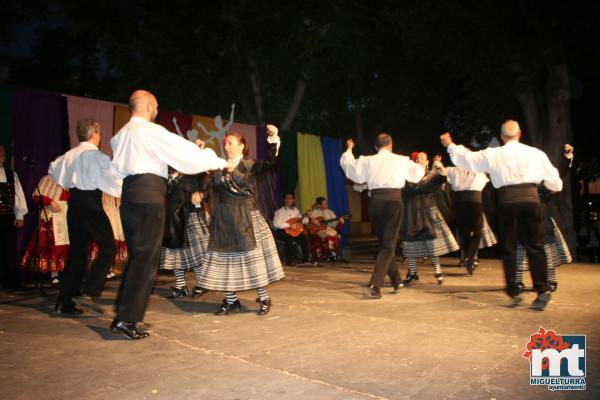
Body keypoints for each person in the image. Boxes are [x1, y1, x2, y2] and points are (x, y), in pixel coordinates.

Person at [110, 90, 228, 339]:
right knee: (146, 260)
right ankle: (125, 319)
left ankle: (123, 312)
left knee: (137, 258)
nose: (157, 111)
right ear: (150, 106)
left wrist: (190, 150)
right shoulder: (150, 131)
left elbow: (142, 162)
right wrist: (215, 160)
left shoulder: (120, 136)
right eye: (156, 107)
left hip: (129, 197)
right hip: (148, 197)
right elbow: (183, 155)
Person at [441, 120, 562, 310]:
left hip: (507, 201)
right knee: (536, 247)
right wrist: (545, 191)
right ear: (519, 134)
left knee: (509, 248)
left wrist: (450, 146)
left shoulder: (494, 154)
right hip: (531, 200)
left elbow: (468, 160)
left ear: (503, 136)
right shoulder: (536, 154)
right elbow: (555, 182)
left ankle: (514, 291)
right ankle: (542, 290)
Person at [197, 126, 284, 316]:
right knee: (225, 262)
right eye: (225, 144)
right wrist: (199, 193)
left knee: (253, 262)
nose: (226, 147)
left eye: (230, 143)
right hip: (224, 219)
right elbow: (208, 188)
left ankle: (264, 297)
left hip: (246, 217)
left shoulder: (250, 165)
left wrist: (273, 138)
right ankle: (231, 301)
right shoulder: (218, 168)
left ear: (241, 146)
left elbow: (271, 162)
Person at [50, 118, 121, 315]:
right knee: (108, 248)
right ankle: (88, 291)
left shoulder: (69, 155)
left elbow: (53, 170)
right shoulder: (95, 156)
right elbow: (114, 178)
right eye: (99, 134)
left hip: (75, 205)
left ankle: (65, 301)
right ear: (94, 134)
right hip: (91, 205)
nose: (100, 137)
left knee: (77, 254)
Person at [340, 134, 424, 298]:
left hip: (376, 202)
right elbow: (417, 174)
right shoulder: (401, 160)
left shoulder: (367, 160)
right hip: (393, 201)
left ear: (376, 147)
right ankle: (375, 285)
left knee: (386, 244)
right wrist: (420, 164)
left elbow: (349, 168)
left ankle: (396, 280)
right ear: (391, 145)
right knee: (388, 245)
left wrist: (349, 150)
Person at [516, 144, 574, 292]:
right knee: (521, 247)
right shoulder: (517, 175)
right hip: (522, 215)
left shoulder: (543, 176)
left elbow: (558, 175)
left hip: (541, 216)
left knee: (546, 248)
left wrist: (567, 158)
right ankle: (517, 281)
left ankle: (551, 278)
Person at [400, 154, 459, 285]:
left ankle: (438, 271)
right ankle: (412, 272)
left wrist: (438, 171)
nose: (418, 160)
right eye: (416, 159)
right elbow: (414, 188)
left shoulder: (430, 175)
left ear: (427, 161)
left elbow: (439, 182)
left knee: (432, 244)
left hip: (429, 210)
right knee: (409, 243)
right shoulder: (409, 177)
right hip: (411, 212)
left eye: (421, 158)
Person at [437, 160, 497, 275]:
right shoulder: (478, 172)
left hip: (460, 202)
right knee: (477, 231)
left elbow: (441, 172)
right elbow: (486, 182)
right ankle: (470, 258)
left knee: (463, 231)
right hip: (475, 202)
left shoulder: (453, 170)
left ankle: (466, 256)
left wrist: (438, 164)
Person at [159, 170, 211, 299]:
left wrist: (201, 194)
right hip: (172, 217)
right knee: (176, 254)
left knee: (196, 253)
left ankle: (201, 283)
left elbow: (208, 186)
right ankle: (181, 286)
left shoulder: (196, 171)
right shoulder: (166, 173)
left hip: (189, 215)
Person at [20, 173, 69, 284]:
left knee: (66, 244)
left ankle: (64, 271)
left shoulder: (69, 178)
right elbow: (37, 195)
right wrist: (50, 201)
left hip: (66, 213)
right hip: (51, 214)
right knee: (53, 244)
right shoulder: (47, 179)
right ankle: (54, 273)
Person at [0, 144, 28, 290]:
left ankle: (9, 281)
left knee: (9, 250)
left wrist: (20, 215)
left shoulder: (12, 175)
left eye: (2, 155)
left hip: (7, 217)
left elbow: (18, 196)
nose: (0, 157)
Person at [272, 193, 309, 265]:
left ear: (293, 200)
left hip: (294, 232)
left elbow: (302, 220)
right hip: (282, 231)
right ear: (284, 200)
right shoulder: (280, 211)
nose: (288, 200)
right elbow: (275, 224)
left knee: (303, 238)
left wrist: (305, 219)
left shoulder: (296, 210)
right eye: (287, 198)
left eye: (290, 198)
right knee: (288, 238)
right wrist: (289, 225)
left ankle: (305, 259)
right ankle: (289, 261)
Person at [306, 197, 346, 263]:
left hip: (328, 228)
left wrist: (340, 221)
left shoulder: (330, 212)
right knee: (327, 234)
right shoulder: (314, 212)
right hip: (318, 230)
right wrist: (313, 220)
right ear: (319, 205)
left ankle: (333, 254)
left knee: (335, 235)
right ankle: (328, 254)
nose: (326, 205)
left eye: (326, 203)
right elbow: (307, 220)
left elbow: (334, 223)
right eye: (324, 203)